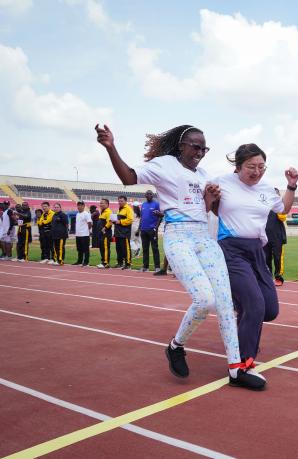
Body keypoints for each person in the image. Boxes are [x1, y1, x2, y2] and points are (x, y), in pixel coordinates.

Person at [95, 123, 264, 390]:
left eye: (204, 148)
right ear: (181, 146)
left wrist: (210, 199)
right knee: (204, 299)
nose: (199, 152)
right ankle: (176, 346)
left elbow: (206, 210)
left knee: (224, 303)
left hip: (203, 237)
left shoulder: (204, 174)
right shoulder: (164, 165)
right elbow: (128, 177)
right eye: (195, 146)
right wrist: (111, 147)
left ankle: (236, 369)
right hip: (178, 236)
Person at [212, 143, 298, 381]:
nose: (257, 171)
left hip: (256, 251)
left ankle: (242, 318)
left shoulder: (266, 189)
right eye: (251, 166)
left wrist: (291, 185)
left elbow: (284, 208)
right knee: (255, 305)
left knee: (269, 310)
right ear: (238, 166)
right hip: (231, 249)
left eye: (261, 166)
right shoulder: (221, 182)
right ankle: (242, 365)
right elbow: (204, 204)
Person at [263, 197, 288, 287]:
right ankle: (268, 277)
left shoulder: (279, 207)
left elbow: (282, 217)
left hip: (277, 238)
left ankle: (278, 277)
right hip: (265, 237)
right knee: (266, 258)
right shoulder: (264, 207)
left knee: (277, 257)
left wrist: (276, 205)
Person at [139, 190, 162, 272]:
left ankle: (157, 267)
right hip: (143, 229)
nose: (148, 195)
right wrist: (139, 228)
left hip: (152, 229)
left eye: (150, 194)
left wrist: (156, 227)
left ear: (152, 196)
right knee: (145, 249)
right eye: (147, 194)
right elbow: (141, 217)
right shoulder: (143, 204)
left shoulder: (156, 204)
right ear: (145, 195)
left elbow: (160, 216)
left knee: (155, 248)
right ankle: (145, 267)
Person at [114, 195, 134, 269]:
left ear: (125, 201)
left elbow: (130, 220)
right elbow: (118, 220)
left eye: (121, 201)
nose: (120, 202)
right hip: (118, 232)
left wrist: (120, 222)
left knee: (125, 248)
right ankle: (120, 263)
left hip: (125, 233)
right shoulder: (120, 209)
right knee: (118, 249)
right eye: (119, 201)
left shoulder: (128, 209)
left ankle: (128, 263)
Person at [73, 201, 92, 266]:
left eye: (81, 205)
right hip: (78, 234)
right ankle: (79, 261)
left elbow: (90, 223)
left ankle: (86, 262)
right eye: (78, 205)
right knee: (79, 249)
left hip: (85, 234)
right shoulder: (77, 214)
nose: (79, 207)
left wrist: (87, 230)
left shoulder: (86, 214)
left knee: (86, 249)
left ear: (84, 206)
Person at [95, 198, 112, 269]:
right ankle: (103, 262)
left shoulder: (108, 212)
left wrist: (104, 228)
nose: (101, 204)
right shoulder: (102, 211)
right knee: (102, 248)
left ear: (107, 204)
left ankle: (105, 263)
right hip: (101, 234)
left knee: (105, 248)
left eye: (102, 203)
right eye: (100, 203)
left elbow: (110, 222)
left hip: (105, 233)